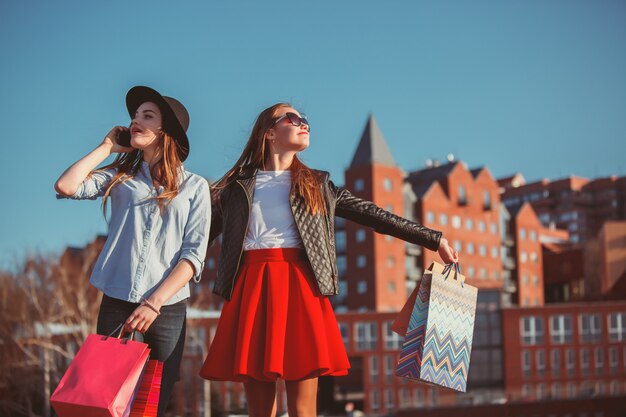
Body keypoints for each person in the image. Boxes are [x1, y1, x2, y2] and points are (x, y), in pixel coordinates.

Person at [199, 103, 459, 417]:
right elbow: (194, 239)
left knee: (303, 408)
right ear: (268, 133)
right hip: (251, 290)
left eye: (305, 119)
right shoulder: (234, 188)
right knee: (259, 410)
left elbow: (374, 215)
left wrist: (434, 239)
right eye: (292, 118)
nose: (303, 123)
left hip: (301, 289)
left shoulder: (318, 185)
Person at [54, 86, 211, 416]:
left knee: (151, 404)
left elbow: (193, 255)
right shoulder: (120, 176)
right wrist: (107, 146)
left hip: (167, 307)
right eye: (135, 115)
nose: (136, 121)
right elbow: (66, 186)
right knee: (105, 398)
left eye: (147, 116)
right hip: (117, 298)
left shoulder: (196, 186)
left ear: (165, 131)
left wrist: (154, 303)